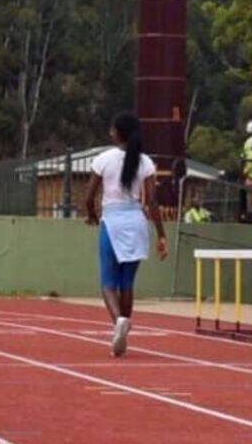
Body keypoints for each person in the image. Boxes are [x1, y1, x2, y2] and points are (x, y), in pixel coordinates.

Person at [84, 111, 168, 357]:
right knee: (127, 282)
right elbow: (152, 201)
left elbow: (89, 196)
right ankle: (124, 327)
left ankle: (119, 321)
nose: (110, 133)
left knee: (108, 282)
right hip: (136, 221)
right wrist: (161, 235)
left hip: (112, 221)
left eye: (112, 129)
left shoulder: (104, 159)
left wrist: (91, 215)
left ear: (118, 133)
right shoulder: (145, 162)